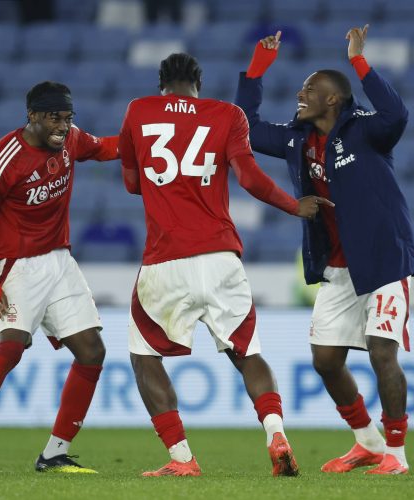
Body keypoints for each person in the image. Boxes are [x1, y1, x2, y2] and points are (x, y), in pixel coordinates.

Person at [118, 53, 325, 477]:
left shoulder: (139, 110)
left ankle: (181, 459)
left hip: (165, 258)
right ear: (199, 81)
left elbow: (132, 183)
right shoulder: (226, 114)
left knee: (144, 356)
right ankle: (275, 434)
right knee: (247, 352)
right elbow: (249, 178)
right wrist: (293, 205)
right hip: (220, 257)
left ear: (162, 83)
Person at [235, 26, 414, 475]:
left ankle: (396, 454)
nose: (300, 94)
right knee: (326, 360)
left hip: (383, 260)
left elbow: (397, 114)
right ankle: (367, 442)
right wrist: (256, 71)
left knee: (381, 352)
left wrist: (359, 61)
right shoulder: (297, 138)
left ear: (334, 99)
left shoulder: (368, 132)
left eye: (310, 89)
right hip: (337, 266)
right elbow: (246, 130)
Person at [0, 81, 119, 475]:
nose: (63, 127)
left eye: (68, 119)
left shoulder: (70, 141)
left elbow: (104, 148)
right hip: (17, 265)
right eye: (55, 118)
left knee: (92, 352)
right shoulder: (2, 161)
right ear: (33, 115)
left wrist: (147, 139)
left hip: (60, 261)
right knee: (12, 348)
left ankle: (54, 453)